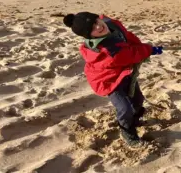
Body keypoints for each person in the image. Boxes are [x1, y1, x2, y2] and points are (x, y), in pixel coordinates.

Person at [63, 12, 163, 148]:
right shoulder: (109, 51)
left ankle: (134, 119)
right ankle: (127, 131)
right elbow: (131, 54)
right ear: (89, 36)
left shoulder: (112, 25)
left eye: (97, 22)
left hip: (124, 73)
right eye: (93, 29)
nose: (98, 27)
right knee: (124, 108)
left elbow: (126, 36)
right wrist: (149, 49)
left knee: (137, 100)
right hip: (109, 81)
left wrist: (143, 45)